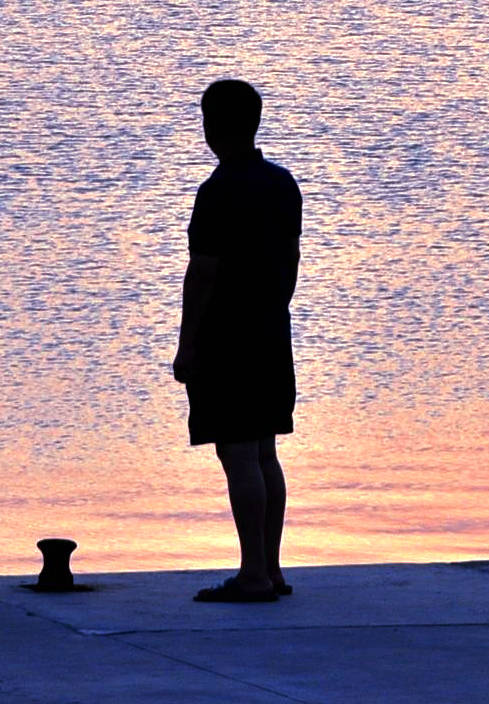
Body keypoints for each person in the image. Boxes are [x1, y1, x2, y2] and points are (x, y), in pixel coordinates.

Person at [171, 79, 303, 604]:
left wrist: (187, 345)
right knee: (265, 451)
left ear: (214, 126)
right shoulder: (282, 183)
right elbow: (291, 260)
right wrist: (275, 308)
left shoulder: (218, 191)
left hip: (228, 335)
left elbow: (201, 274)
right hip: (272, 327)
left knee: (239, 453)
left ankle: (252, 574)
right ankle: (270, 568)